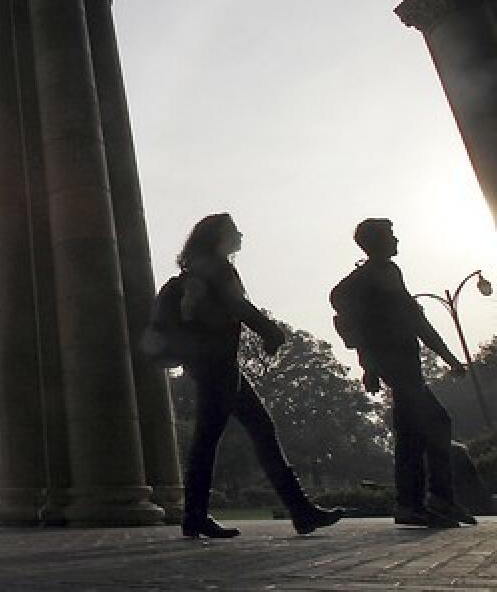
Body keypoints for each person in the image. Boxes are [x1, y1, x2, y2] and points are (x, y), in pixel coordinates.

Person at [175, 213, 343, 539]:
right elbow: (237, 306)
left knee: (252, 432)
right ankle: (197, 515)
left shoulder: (196, 269)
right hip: (219, 365)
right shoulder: (218, 268)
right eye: (233, 230)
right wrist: (270, 331)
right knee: (216, 440)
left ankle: (300, 510)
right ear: (218, 236)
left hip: (211, 364)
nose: (240, 234)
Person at [339, 218, 475, 528]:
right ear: (375, 242)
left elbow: (416, 321)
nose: (397, 239)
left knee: (411, 433)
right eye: (391, 235)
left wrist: (449, 359)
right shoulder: (372, 279)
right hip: (396, 364)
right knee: (437, 422)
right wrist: (369, 367)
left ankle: (415, 503)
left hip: (403, 363)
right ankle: (433, 499)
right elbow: (365, 328)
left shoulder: (389, 274)